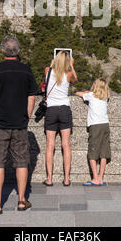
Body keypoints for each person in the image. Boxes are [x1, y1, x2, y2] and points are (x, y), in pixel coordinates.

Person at [0, 36, 38, 214]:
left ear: (2, 51)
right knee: (22, 162)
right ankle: (22, 200)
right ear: (18, 51)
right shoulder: (26, 70)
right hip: (20, 123)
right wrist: (27, 116)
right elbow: (32, 96)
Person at [42, 51, 77, 187]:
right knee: (66, 144)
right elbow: (75, 79)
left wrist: (52, 64)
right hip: (64, 109)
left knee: (50, 145)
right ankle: (66, 178)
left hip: (51, 110)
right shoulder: (68, 74)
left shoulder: (48, 71)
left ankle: (49, 178)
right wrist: (72, 66)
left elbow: (49, 69)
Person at [75, 78, 111, 186]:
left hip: (95, 126)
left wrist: (86, 92)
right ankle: (100, 177)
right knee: (104, 152)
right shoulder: (105, 98)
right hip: (105, 124)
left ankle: (95, 178)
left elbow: (77, 93)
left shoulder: (90, 96)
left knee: (93, 151)